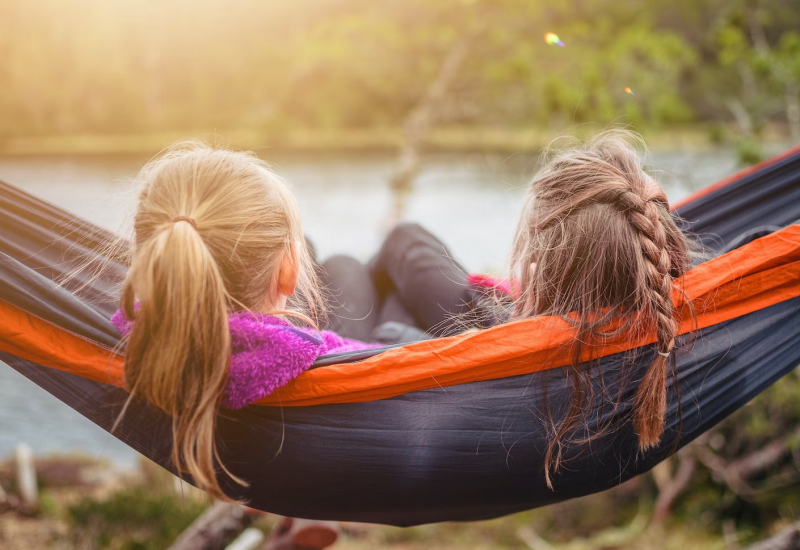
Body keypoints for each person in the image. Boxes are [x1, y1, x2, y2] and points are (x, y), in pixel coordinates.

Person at [110, 142, 375, 548]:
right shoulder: (316, 357)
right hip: (339, 413)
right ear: (289, 271)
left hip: (256, 453)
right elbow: (385, 362)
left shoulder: (141, 336)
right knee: (370, 256)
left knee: (322, 254)